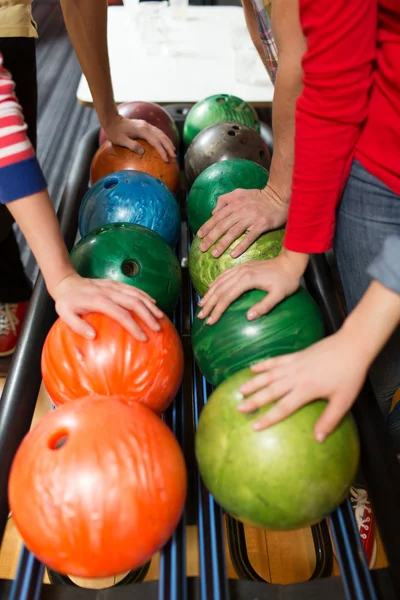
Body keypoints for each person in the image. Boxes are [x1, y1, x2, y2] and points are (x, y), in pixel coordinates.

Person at [198, 0, 400, 567]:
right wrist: (294, 255)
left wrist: (355, 339)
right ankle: (374, 470)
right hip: (380, 152)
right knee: (382, 375)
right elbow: (329, 85)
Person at [0, 0, 175, 355]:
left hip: (8, 26)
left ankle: (8, 285)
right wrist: (61, 276)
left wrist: (108, 113)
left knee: (8, 204)